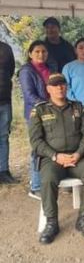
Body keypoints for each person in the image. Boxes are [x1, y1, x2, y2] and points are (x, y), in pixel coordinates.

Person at [29, 73, 84, 244]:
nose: (59, 87)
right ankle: (51, 222)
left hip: (77, 157)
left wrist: (78, 154)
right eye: (54, 85)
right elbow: (36, 141)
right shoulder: (40, 110)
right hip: (52, 159)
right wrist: (55, 156)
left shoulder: (78, 108)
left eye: (62, 84)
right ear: (48, 89)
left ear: (66, 87)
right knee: (47, 179)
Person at [19, 40, 58, 199]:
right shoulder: (26, 71)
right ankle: (35, 187)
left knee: (49, 146)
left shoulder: (50, 68)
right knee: (38, 148)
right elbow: (29, 95)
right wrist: (48, 106)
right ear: (30, 54)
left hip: (50, 113)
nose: (41, 54)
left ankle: (45, 182)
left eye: (43, 51)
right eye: (37, 52)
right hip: (35, 114)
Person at [0, 39, 16, 184]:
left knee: (3, 136)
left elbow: (10, 70)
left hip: (4, 99)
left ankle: (3, 171)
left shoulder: (6, 48)